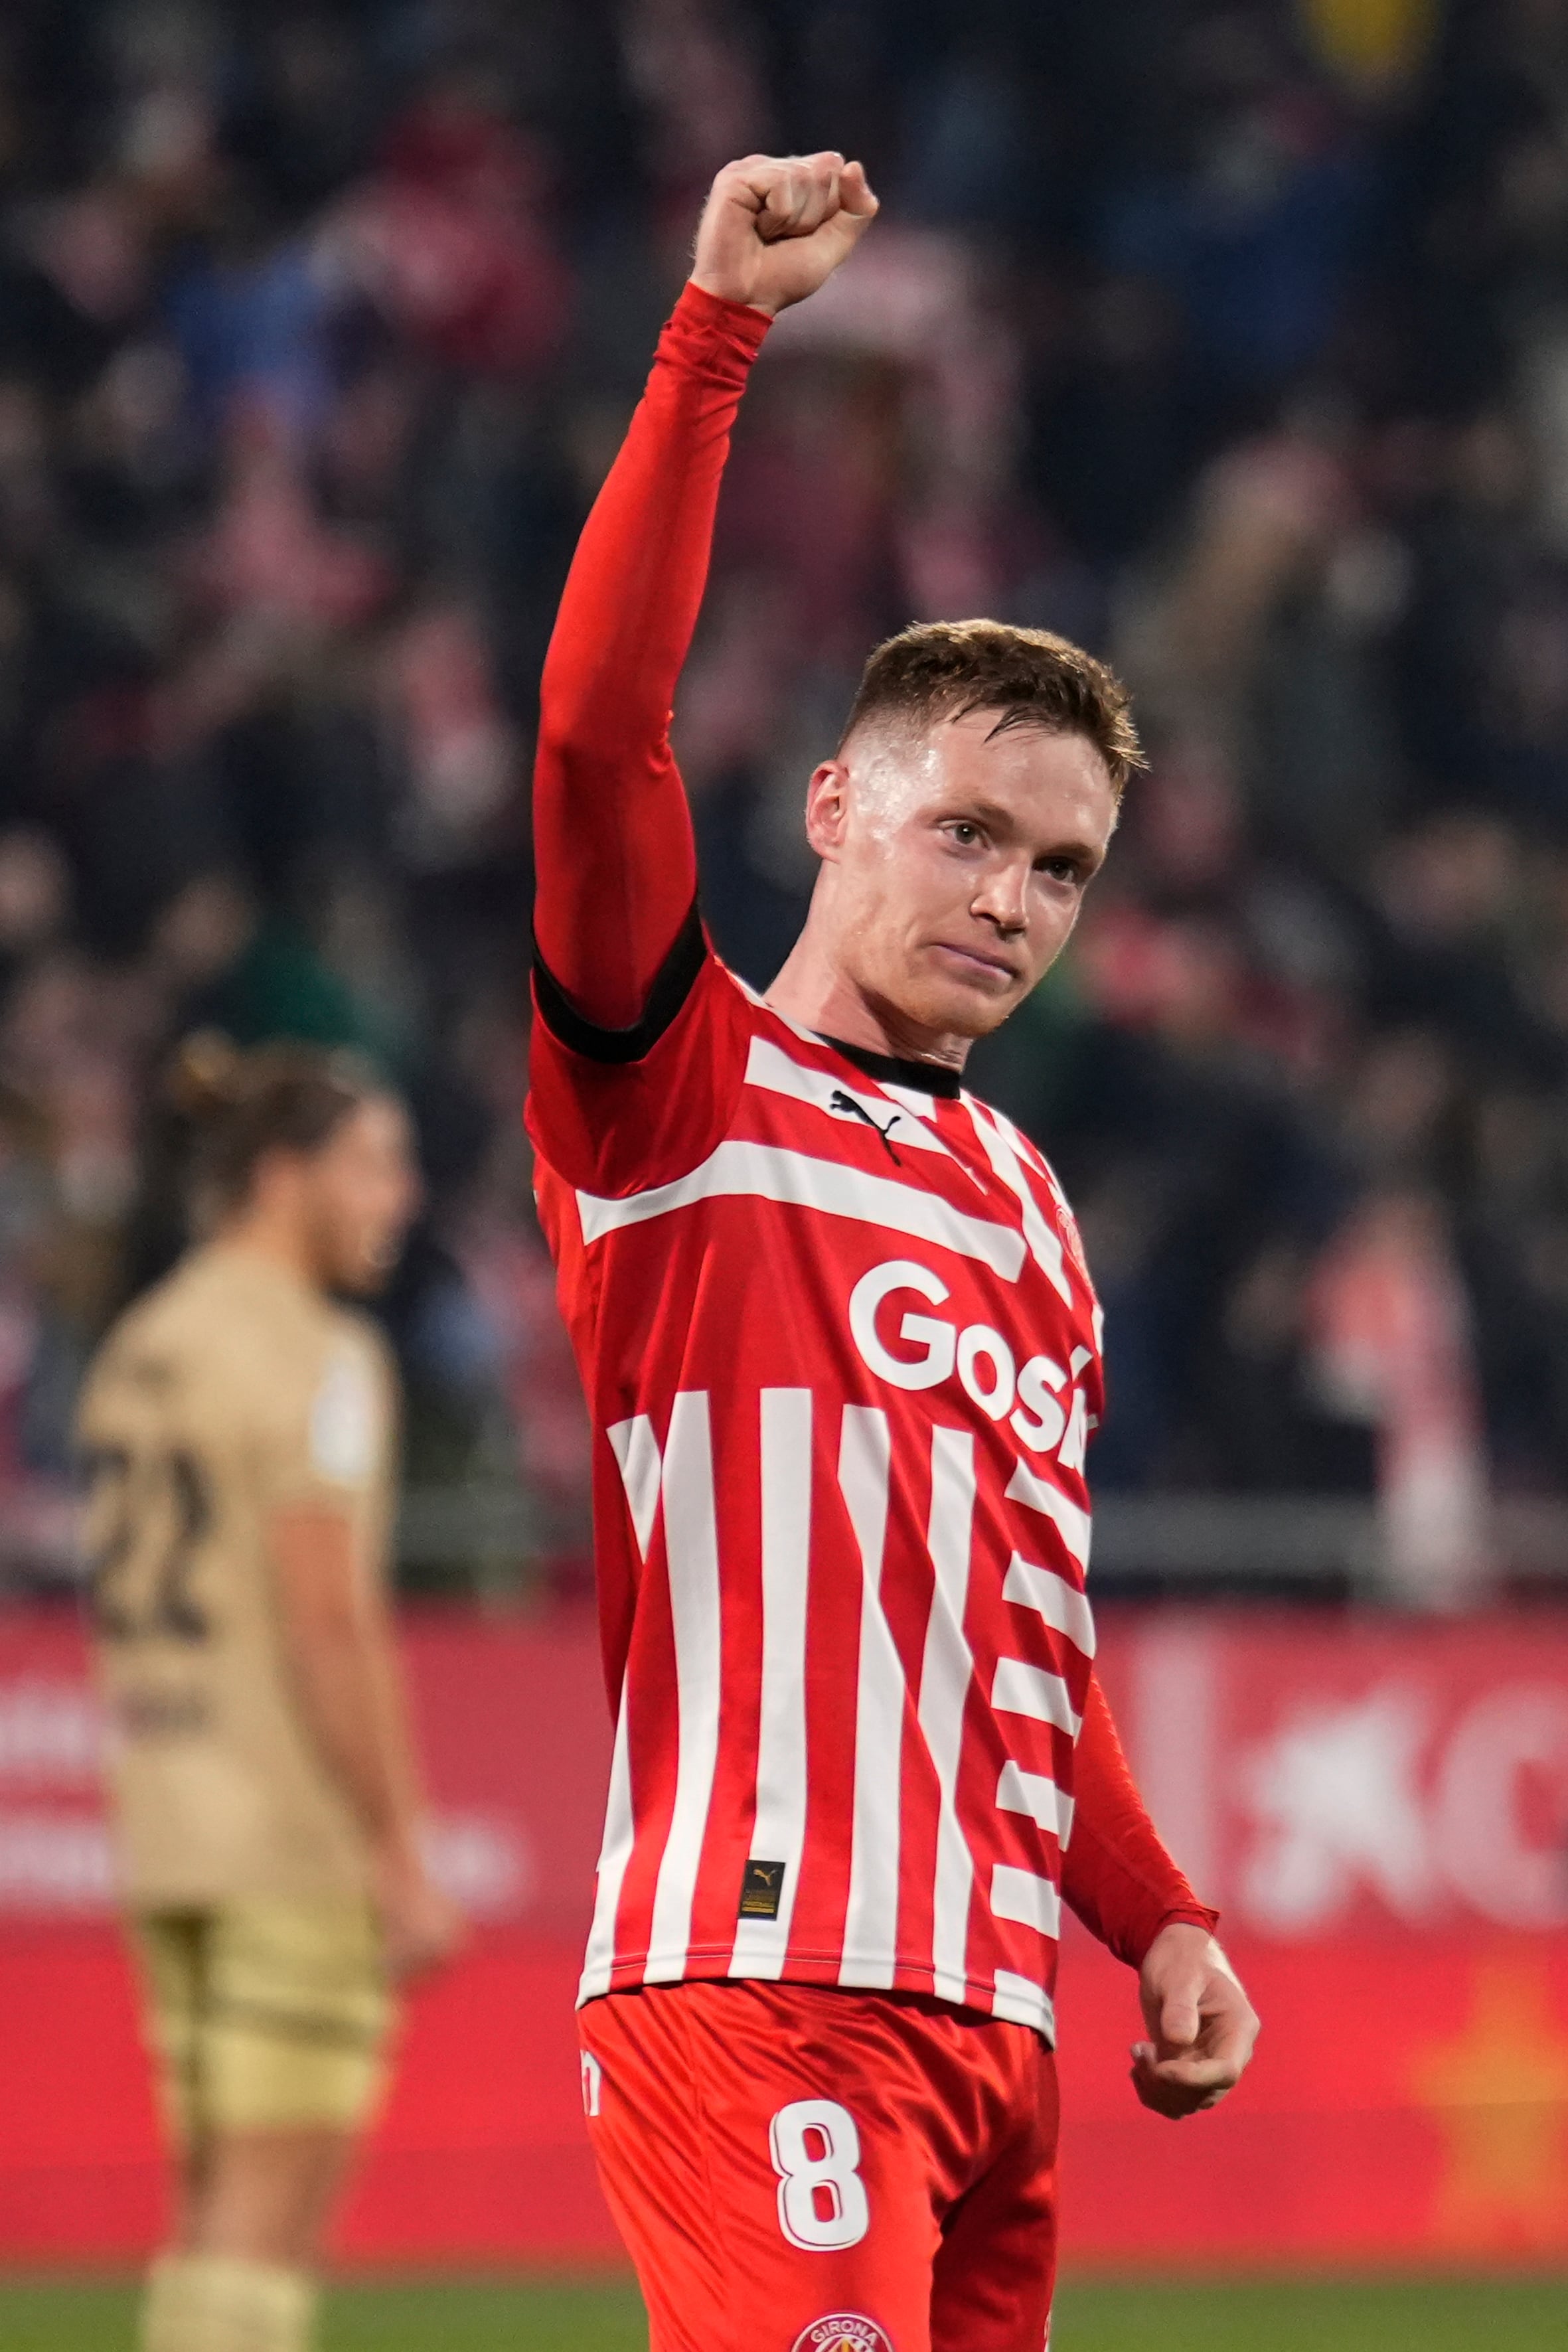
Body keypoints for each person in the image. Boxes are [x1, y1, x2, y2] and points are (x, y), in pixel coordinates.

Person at [527, 153, 1260, 2352]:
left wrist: (1160, 1914)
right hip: (760, 1983)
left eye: (1060, 865)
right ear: (833, 806)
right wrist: (714, 333)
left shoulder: (1033, 1206)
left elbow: (1017, 1640)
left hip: (994, 2028)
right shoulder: (681, 1087)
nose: (1014, 903)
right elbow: (590, 737)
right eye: (967, 830)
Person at [78, 1038, 462, 2352]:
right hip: (287, 1840)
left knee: (207, 2219)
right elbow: (327, 1620)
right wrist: (401, 1850)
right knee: (265, 2222)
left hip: (165, 1824)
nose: (399, 1196)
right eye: (373, 1163)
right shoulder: (319, 1357)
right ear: (283, 1174)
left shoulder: (146, 1340)